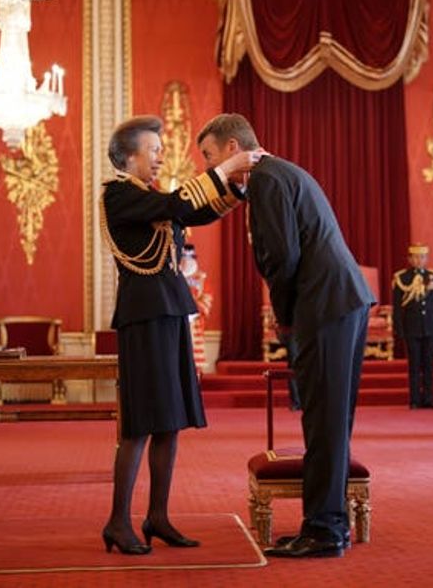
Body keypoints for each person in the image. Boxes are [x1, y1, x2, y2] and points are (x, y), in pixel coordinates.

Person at [197, 113, 374, 559]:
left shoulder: (265, 180)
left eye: (209, 155)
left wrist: (284, 317)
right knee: (332, 418)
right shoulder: (279, 172)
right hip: (340, 301)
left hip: (325, 305)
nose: (208, 166)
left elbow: (281, 256)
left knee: (324, 420)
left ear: (233, 146)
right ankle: (331, 523)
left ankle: (324, 530)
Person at [100, 115, 259, 555]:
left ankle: (157, 516)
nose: (160, 157)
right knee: (140, 424)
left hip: (170, 311)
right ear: (128, 156)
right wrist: (226, 167)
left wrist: (236, 188)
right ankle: (117, 521)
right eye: (153, 150)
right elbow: (176, 204)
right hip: (143, 316)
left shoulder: (152, 198)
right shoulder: (118, 195)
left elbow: (192, 210)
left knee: (169, 422)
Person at [392, 243, 433, 409]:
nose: (419, 260)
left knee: (429, 365)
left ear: (427, 258)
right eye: (415, 257)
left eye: (422, 257)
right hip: (412, 328)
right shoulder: (402, 278)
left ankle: (429, 398)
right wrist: (399, 329)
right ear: (410, 259)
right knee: (414, 366)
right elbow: (397, 307)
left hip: (430, 328)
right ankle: (415, 399)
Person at [180, 244, 211, 375]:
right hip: (178, 318)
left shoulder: (201, 278)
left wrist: (194, 309)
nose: (186, 260)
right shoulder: (175, 277)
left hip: (195, 321)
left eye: (190, 257)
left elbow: (207, 298)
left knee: (195, 359)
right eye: (184, 257)